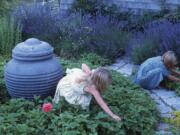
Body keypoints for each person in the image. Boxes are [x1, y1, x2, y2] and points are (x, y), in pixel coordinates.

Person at [53, 64, 121, 122]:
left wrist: (88, 73)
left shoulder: (93, 74)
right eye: (105, 85)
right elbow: (102, 103)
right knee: (82, 102)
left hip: (76, 82)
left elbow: (83, 65)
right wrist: (112, 115)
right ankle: (72, 111)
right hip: (70, 87)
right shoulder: (92, 89)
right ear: (99, 83)